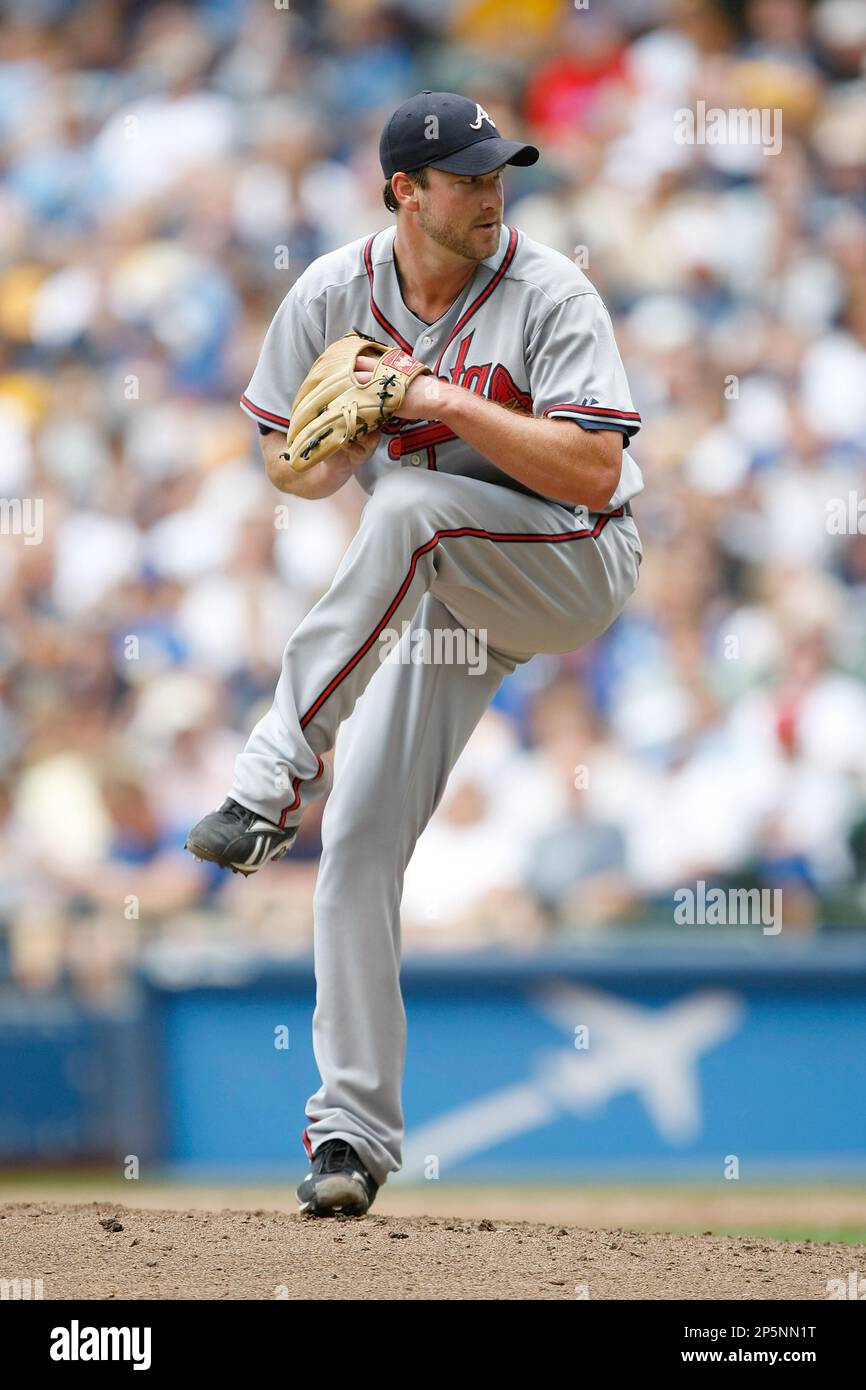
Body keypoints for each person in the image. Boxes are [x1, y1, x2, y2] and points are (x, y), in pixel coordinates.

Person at [185, 91, 644, 1216]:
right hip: (447, 592)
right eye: (469, 175)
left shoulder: (548, 289)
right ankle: (350, 1134)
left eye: (500, 171)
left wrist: (429, 396)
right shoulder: (332, 292)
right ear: (403, 191)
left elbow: (591, 472)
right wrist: (333, 439)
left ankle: (267, 776)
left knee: (412, 510)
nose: (493, 190)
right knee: (356, 843)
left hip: (570, 561)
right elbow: (287, 467)